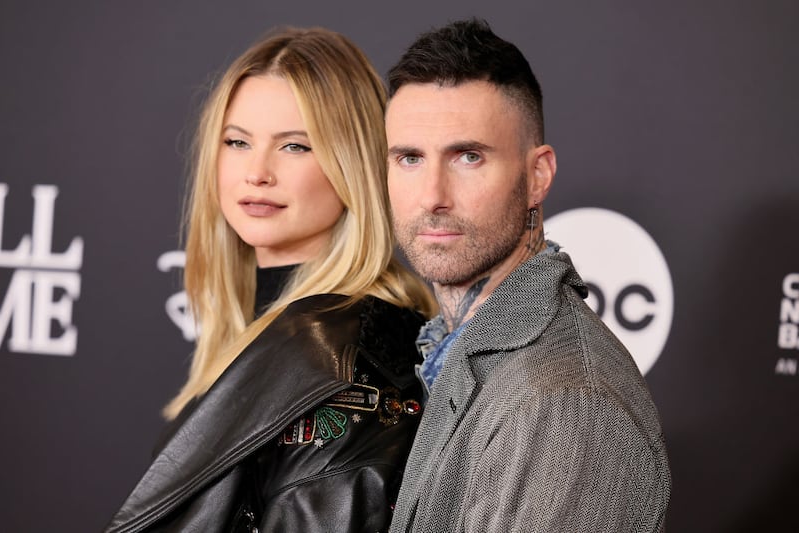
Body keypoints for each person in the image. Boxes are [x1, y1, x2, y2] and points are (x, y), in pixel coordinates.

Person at [105, 27, 435, 533]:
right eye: (237, 141)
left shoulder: (344, 361)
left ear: (353, 163)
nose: (256, 171)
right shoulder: (280, 330)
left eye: (296, 147)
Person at [384, 19, 671, 532]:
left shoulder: (570, 404)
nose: (431, 195)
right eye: (409, 158)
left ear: (537, 175)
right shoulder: (446, 353)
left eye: (468, 157)